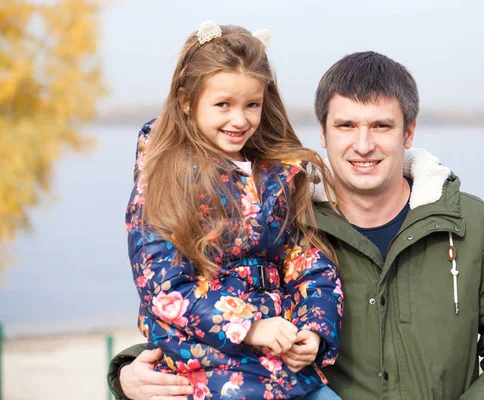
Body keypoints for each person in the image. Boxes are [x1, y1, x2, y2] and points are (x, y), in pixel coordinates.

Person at [109, 51, 484, 400]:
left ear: (408, 132)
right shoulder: (291, 221)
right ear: (323, 133)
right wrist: (127, 374)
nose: (363, 144)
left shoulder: (472, 224)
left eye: (381, 126)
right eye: (346, 125)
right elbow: (196, 294)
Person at [121, 21, 344, 400]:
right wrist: (250, 327)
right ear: (186, 101)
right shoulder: (165, 178)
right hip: (207, 374)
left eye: (251, 105)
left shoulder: (275, 173)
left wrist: (314, 327)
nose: (239, 120)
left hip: (286, 371)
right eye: (223, 104)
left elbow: (306, 259)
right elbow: (163, 287)